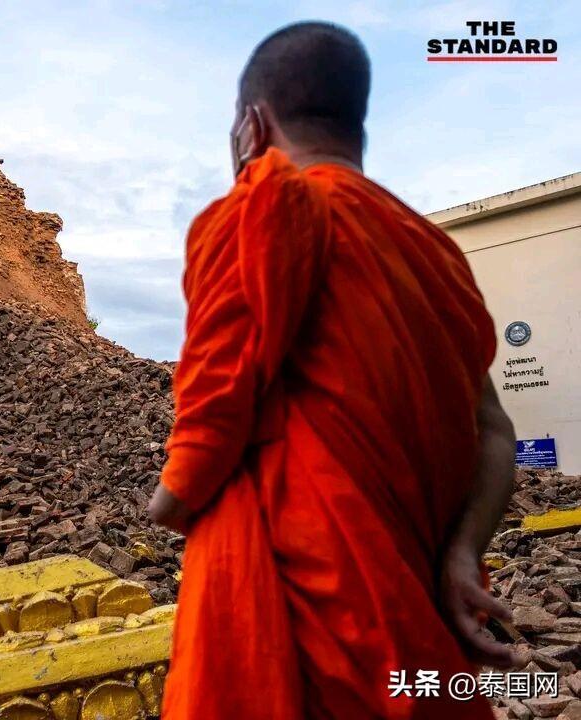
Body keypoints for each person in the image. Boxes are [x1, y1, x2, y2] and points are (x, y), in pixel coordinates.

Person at [149, 21, 517, 719]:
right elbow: (495, 430)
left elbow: (213, 403)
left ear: (251, 127)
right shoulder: (437, 256)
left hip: (296, 618)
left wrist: (172, 498)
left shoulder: (261, 207)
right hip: (418, 621)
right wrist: (464, 553)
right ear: (358, 126)